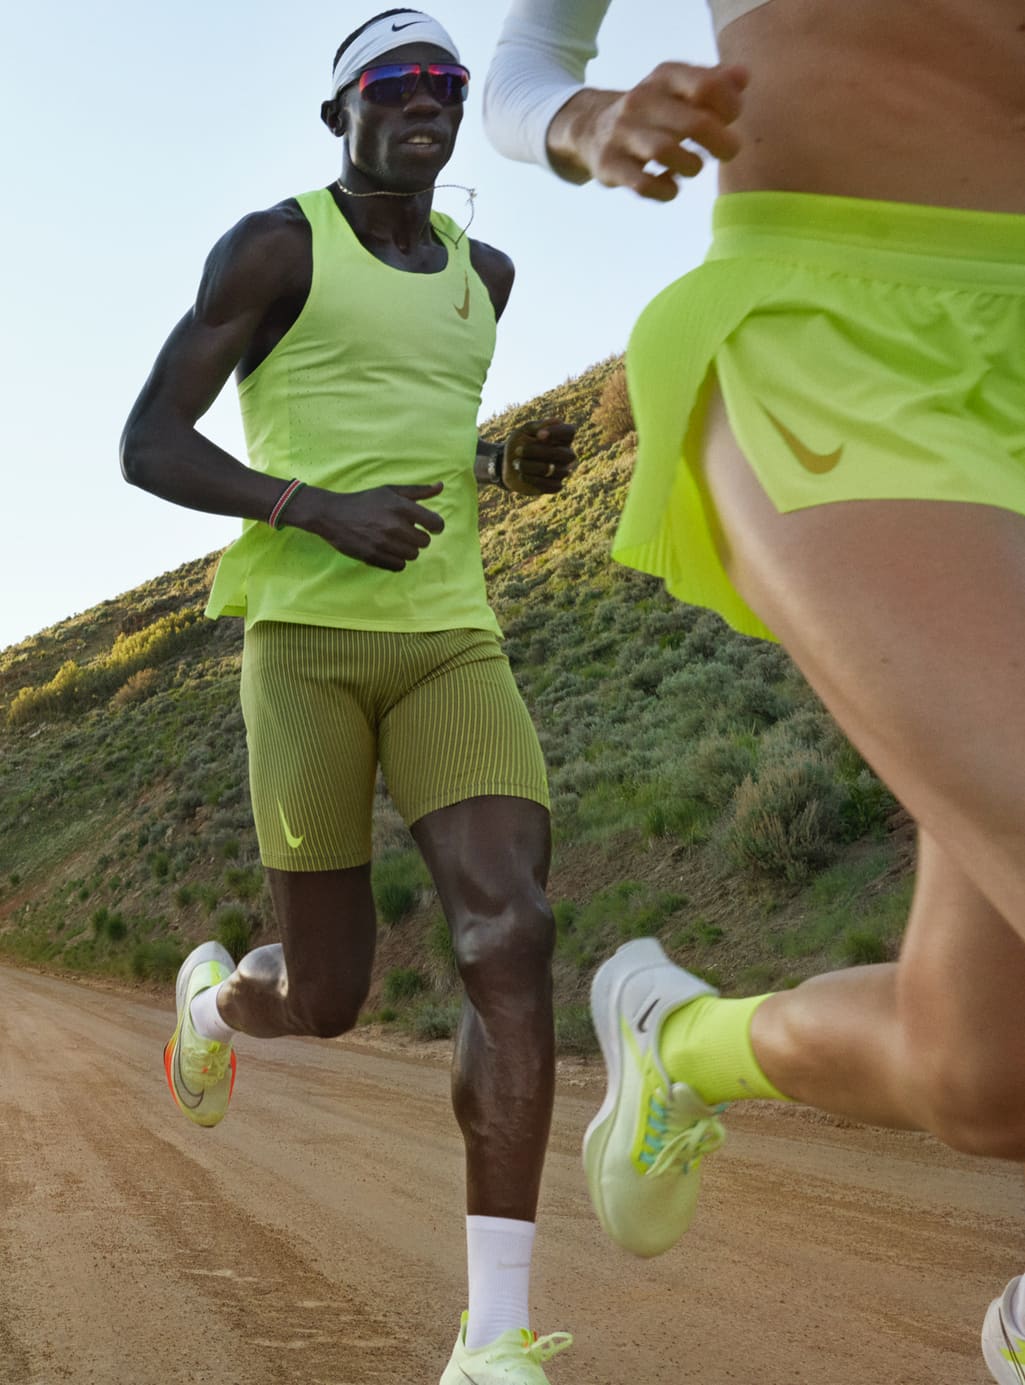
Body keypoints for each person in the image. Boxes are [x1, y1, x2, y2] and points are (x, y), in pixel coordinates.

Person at [483, 2, 1025, 1381]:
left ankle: (678, 1039)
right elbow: (530, 55)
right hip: (845, 328)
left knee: (981, 1069)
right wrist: (580, 121)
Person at [120, 11, 578, 1382]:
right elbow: (147, 440)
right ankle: (214, 1004)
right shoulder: (274, 245)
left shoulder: (484, 273)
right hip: (305, 641)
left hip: (451, 637)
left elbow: (410, 424)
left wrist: (502, 473)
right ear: (342, 115)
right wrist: (309, 508)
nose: (429, 100)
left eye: (447, 81)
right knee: (322, 994)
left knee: (511, 933)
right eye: (397, 83)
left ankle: (493, 1336)